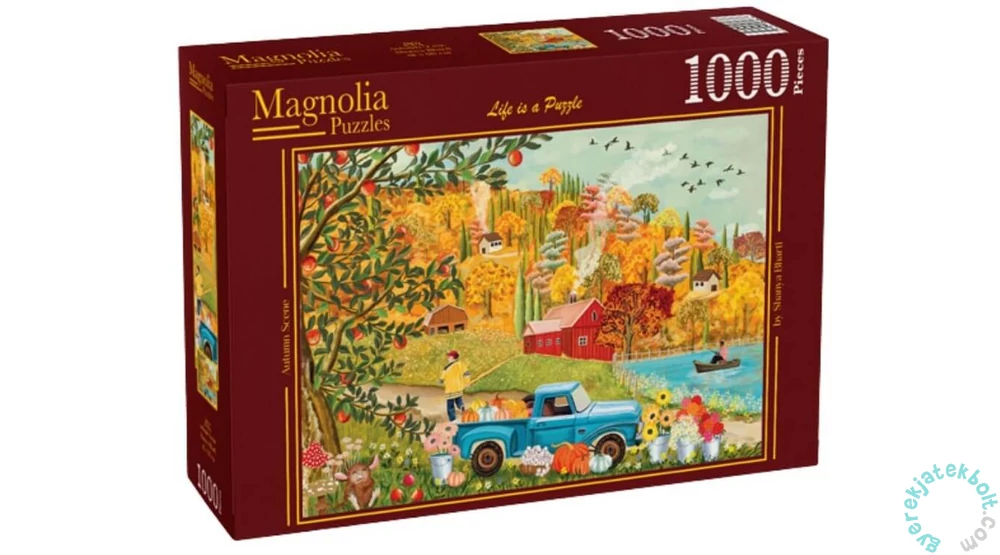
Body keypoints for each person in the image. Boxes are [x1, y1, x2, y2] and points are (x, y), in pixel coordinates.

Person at [440, 350, 471, 421]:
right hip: (458, 387)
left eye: (449, 357)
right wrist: (467, 382)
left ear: (452, 357)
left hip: (450, 389)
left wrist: (441, 380)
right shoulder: (461, 365)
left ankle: (453, 419)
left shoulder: (447, 367)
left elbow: (443, 376)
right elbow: (467, 373)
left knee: (450, 405)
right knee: (458, 399)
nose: (448, 358)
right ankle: (461, 406)